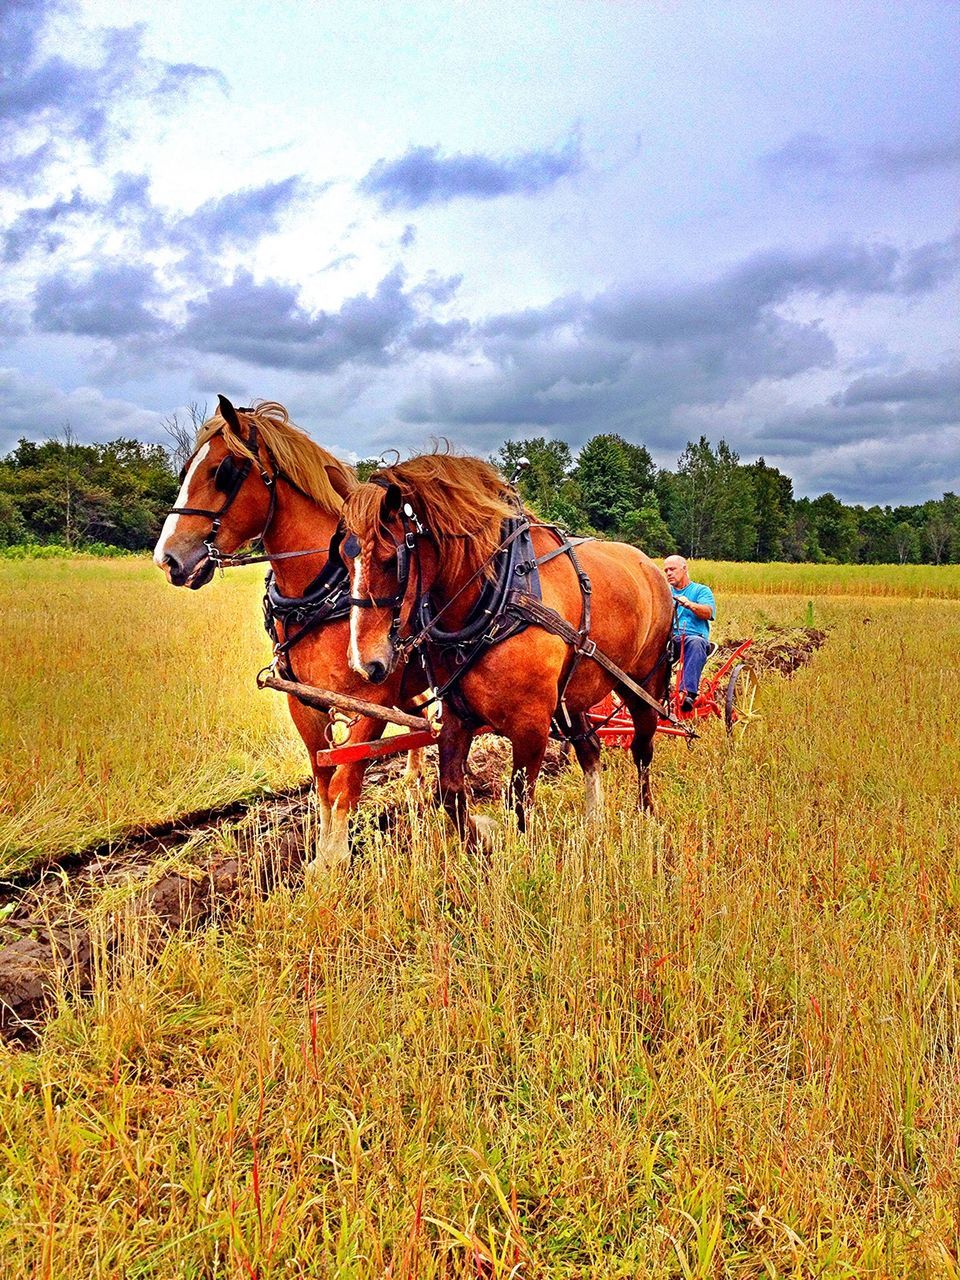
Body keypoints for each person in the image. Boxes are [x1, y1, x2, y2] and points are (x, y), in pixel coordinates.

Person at [663, 555, 716, 712]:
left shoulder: (700, 590)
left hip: (693, 640)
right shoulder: (665, 593)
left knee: (694, 642)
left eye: (672, 569)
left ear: (684, 569)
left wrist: (690, 604)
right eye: (666, 570)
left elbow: (708, 612)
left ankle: (687, 693)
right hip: (670, 639)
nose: (668, 573)